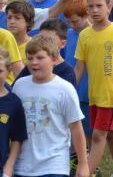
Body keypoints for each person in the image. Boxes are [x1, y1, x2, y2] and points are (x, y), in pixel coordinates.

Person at [12, 35, 89, 177]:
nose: (34, 62)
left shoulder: (64, 89)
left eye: (40, 58)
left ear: (54, 60)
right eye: (30, 58)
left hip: (54, 165)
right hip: (22, 165)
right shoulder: (19, 86)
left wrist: (83, 164)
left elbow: (76, 128)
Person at [74, 0, 113, 176]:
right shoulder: (85, 35)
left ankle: (85, 173)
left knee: (98, 136)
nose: (94, 10)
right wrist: (69, 90)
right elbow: (79, 67)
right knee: (112, 136)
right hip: (95, 96)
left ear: (109, 6)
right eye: (90, 6)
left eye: (99, 6)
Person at [63, 0, 93, 144]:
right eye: (69, 21)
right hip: (72, 90)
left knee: (88, 132)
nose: (71, 25)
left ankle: (89, 164)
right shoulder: (68, 35)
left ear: (86, 15)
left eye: (74, 21)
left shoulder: (94, 35)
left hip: (88, 92)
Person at [16, 19, 76, 87]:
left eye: (50, 40)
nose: (44, 43)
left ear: (63, 44)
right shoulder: (32, 65)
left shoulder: (67, 72)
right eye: (41, 38)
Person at [0, 48, 27, 177]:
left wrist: (9, 166)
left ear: (9, 70)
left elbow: (17, 138)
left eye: (0, 71)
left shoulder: (13, 102)